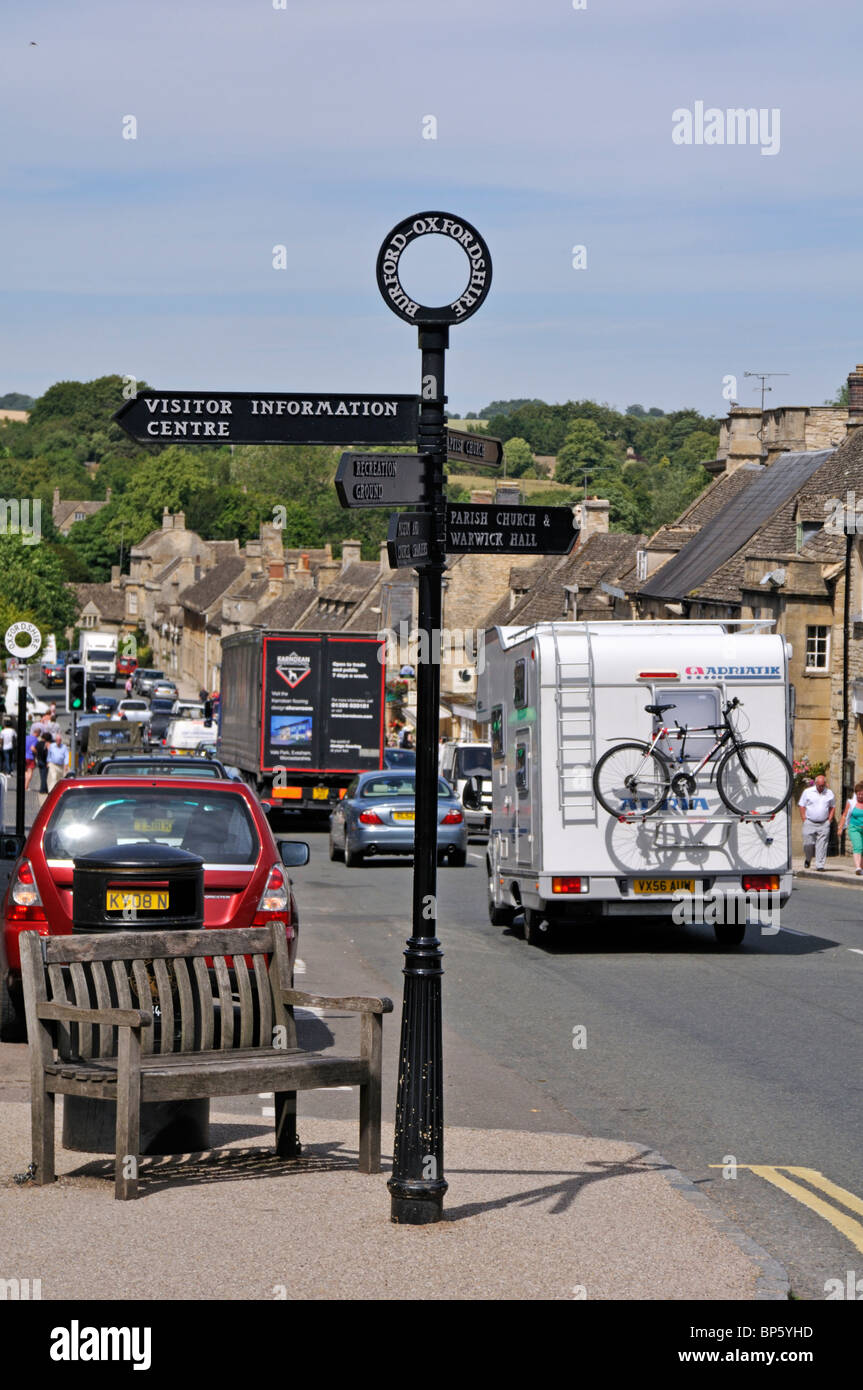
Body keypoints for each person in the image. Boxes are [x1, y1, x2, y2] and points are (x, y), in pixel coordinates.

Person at [798, 772, 835, 871]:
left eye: (823, 785)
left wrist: (829, 820)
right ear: (815, 784)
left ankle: (820, 865)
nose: (821, 787)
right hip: (810, 821)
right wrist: (804, 818)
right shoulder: (807, 792)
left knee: (822, 844)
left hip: (824, 823)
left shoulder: (829, 793)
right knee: (808, 843)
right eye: (819, 785)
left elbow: (832, 807)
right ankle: (808, 858)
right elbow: (802, 805)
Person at [838, 781, 863, 875]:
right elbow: (844, 815)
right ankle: (857, 867)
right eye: (858, 794)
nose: (860, 796)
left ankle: (861, 868)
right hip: (854, 828)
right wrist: (840, 828)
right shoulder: (851, 803)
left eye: (862, 794)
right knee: (858, 847)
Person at [35, 730, 51, 802]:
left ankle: (42, 789)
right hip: (45, 761)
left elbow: (36, 750)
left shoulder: (38, 743)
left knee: (42, 775)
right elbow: (47, 753)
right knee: (45, 776)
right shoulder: (47, 744)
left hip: (39, 760)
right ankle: (44, 789)